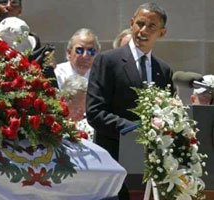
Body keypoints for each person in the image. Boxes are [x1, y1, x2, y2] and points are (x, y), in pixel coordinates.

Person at [86, 3, 175, 199]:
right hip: (114, 163)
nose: (143, 31)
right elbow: (95, 112)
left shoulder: (164, 70)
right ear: (131, 23)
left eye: (151, 26)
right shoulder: (108, 61)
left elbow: (170, 113)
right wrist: (135, 131)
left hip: (151, 169)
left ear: (162, 32)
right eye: (140, 24)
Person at [60, 75, 94, 141]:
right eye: (78, 109)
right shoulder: (50, 119)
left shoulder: (86, 127)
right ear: (65, 99)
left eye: (84, 111)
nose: (81, 116)